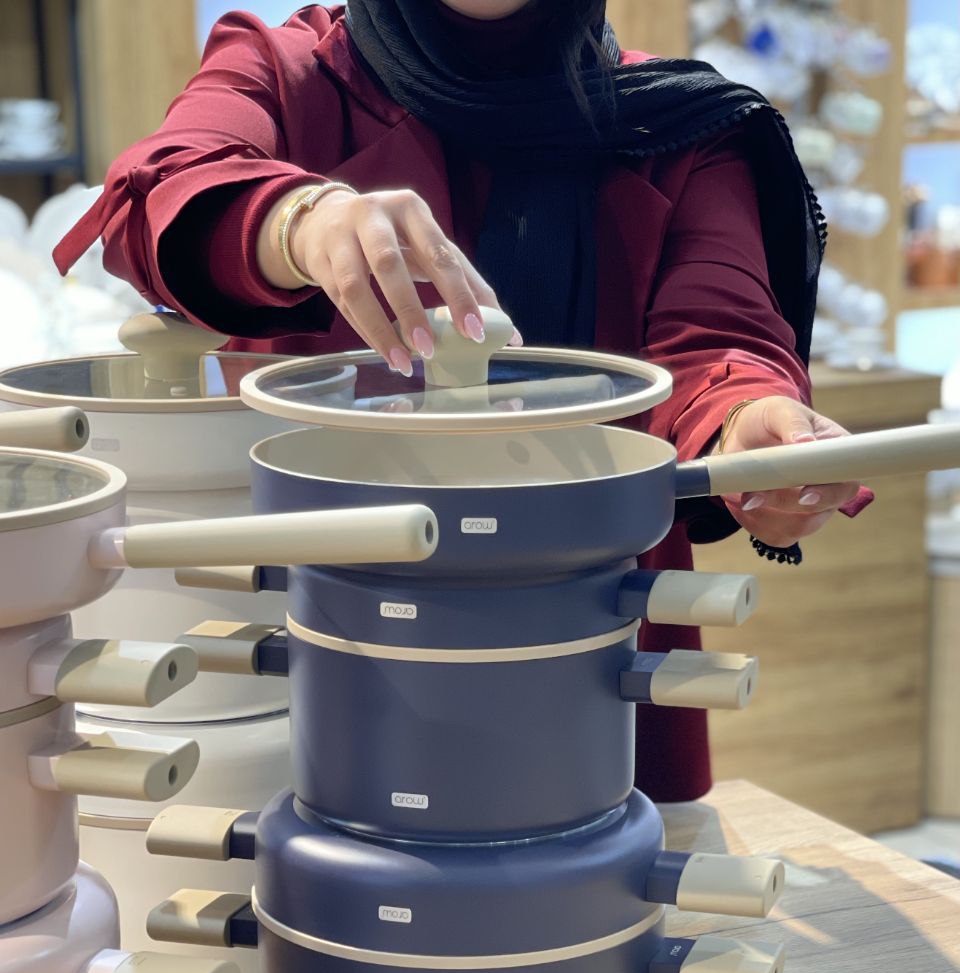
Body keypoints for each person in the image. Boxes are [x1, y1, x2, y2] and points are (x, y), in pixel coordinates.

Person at [54, 0, 871, 803]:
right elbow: (158, 192)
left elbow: (715, 339)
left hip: (585, 642)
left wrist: (745, 420)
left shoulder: (678, 124)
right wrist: (298, 220)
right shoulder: (288, 72)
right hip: (328, 636)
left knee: (581, 864)